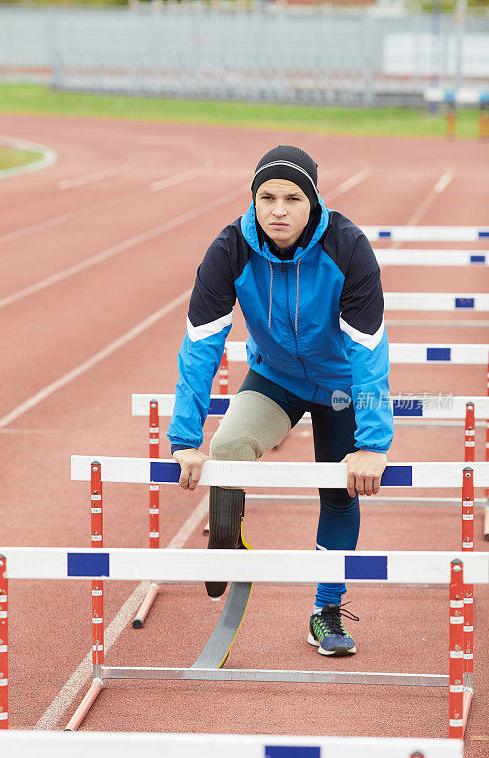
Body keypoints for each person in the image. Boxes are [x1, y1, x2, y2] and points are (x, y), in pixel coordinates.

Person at [167, 145, 393, 657]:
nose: (278, 210)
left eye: (293, 198)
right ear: (253, 200)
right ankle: (228, 539)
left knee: (340, 490)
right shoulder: (230, 249)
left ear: (313, 201)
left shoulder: (348, 248)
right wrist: (184, 439)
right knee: (225, 452)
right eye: (266, 197)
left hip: (340, 388)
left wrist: (373, 443)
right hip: (277, 378)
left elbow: (369, 351)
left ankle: (326, 611)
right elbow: (201, 345)